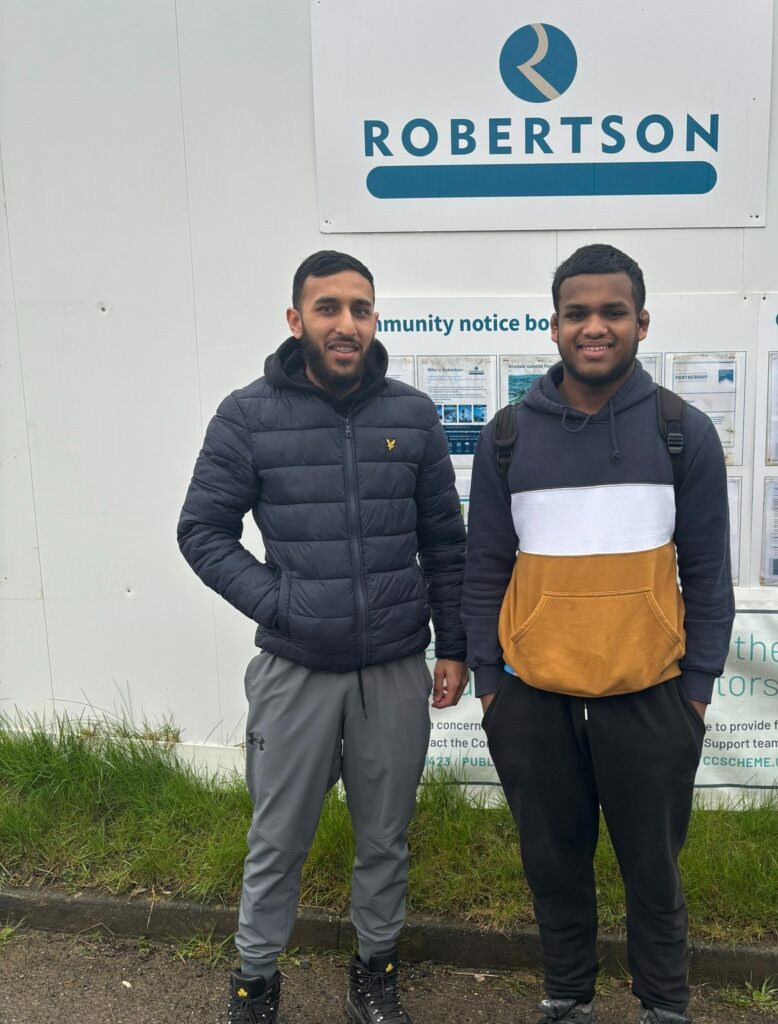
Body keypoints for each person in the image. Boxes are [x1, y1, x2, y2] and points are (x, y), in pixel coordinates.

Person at [178, 250, 468, 1024]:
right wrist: (280, 602)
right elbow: (202, 530)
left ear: (376, 320)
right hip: (296, 667)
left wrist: (455, 645)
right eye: (329, 307)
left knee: (385, 838)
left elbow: (445, 540)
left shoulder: (412, 415)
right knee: (277, 840)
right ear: (296, 319)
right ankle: (254, 981)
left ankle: (374, 971)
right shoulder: (247, 415)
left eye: (361, 309)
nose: (347, 324)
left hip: (396, 667)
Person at [462, 244, 735, 1024]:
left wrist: (697, 692)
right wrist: (491, 687)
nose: (595, 327)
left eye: (612, 312)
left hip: (652, 695)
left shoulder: (683, 431)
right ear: (553, 326)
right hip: (532, 698)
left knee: (654, 869)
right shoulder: (507, 436)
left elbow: (709, 576)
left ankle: (663, 1005)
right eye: (577, 313)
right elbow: (484, 570)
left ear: (641, 322)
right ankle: (567, 998)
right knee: (553, 866)